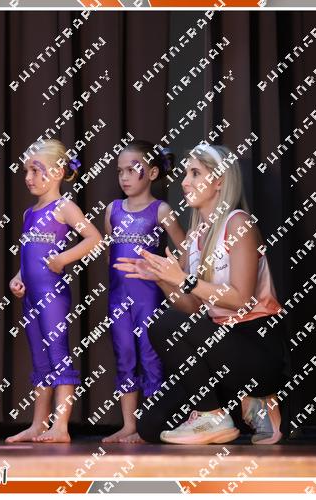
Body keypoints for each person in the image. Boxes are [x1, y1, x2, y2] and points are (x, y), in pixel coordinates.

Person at [114, 143, 289, 445]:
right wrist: (162, 279)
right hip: (218, 347)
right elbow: (192, 306)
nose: (185, 182)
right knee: (150, 425)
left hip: (256, 344)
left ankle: (236, 407)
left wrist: (184, 279)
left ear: (219, 180)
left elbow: (241, 299)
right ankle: (223, 409)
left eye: (195, 173)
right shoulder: (195, 236)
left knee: (164, 324)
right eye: (185, 174)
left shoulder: (239, 223)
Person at [6, 139, 103, 443]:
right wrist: (18, 278)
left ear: (59, 172)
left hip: (52, 296)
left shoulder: (64, 207)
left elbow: (94, 238)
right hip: (31, 297)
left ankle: (60, 426)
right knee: (39, 358)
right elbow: (28, 256)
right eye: (26, 171)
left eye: (36, 170)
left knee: (57, 354)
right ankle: (38, 424)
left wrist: (63, 258)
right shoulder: (28, 214)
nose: (29, 177)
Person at [102, 140, 186, 443]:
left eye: (132, 170)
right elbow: (111, 255)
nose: (124, 177)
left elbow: (185, 251)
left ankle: (152, 424)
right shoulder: (112, 210)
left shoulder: (160, 210)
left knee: (150, 356)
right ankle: (129, 425)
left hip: (149, 297)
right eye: (120, 171)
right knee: (124, 355)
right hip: (118, 297)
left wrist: (168, 274)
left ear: (152, 173)